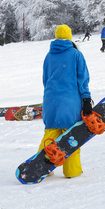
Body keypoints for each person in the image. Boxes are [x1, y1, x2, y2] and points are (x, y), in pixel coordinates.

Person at [37, 24, 92, 178]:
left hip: (50, 101)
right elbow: (83, 80)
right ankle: (71, 171)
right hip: (70, 102)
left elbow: (45, 80)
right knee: (71, 138)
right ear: (69, 36)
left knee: (51, 135)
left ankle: (41, 166)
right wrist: (86, 99)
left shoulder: (49, 55)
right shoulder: (75, 54)